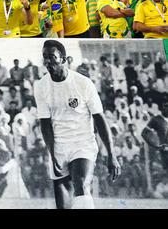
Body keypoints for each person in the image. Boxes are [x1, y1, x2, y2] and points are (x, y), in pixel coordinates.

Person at [34, 40, 120, 209]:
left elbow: (99, 119)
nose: (48, 62)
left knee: (80, 184)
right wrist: (53, 154)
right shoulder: (41, 86)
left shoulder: (83, 83)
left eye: (52, 57)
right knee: (63, 204)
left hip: (82, 143)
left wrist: (111, 153)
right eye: (45, 57)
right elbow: (45, 124)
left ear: (64, 59)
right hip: (58, 145)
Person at [141, 102, 168, 170]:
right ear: (161, 108)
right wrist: (156, 146)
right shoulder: (156, 119)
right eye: (165, 106)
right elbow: (144, 133)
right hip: (165, 152)